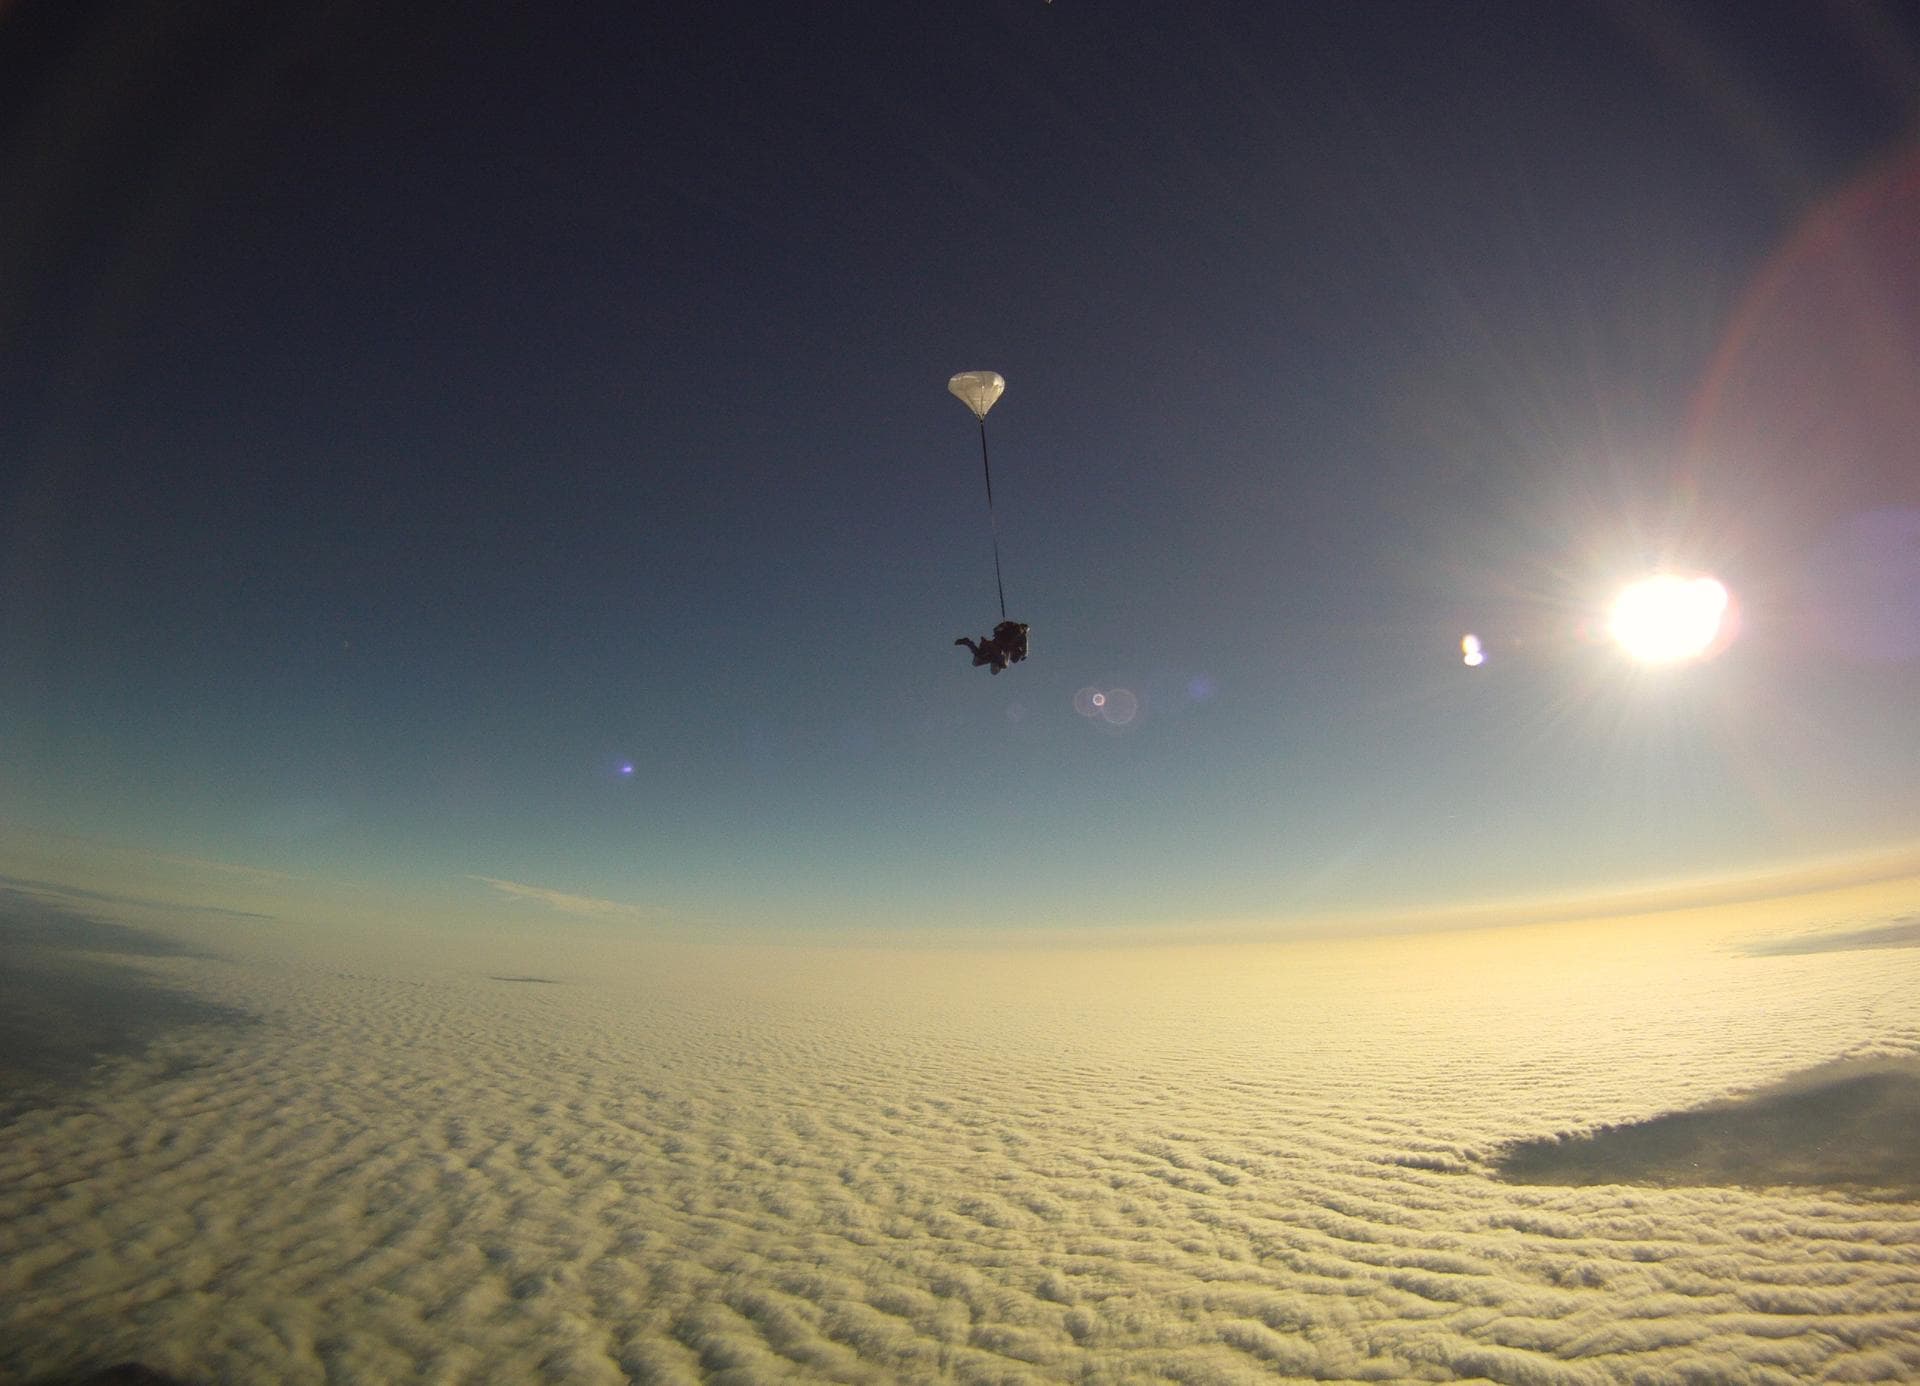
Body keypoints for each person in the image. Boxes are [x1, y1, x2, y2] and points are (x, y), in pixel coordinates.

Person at [955, 620, 1030, 674]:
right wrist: (1024, 654)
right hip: (999, 645)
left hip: (996, 645)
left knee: (977, 660)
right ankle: (969, 642)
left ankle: (967, 642)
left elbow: (978, 657)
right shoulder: (1004, 663)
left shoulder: (993, 659)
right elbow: (1024, 645)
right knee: (980, 658)